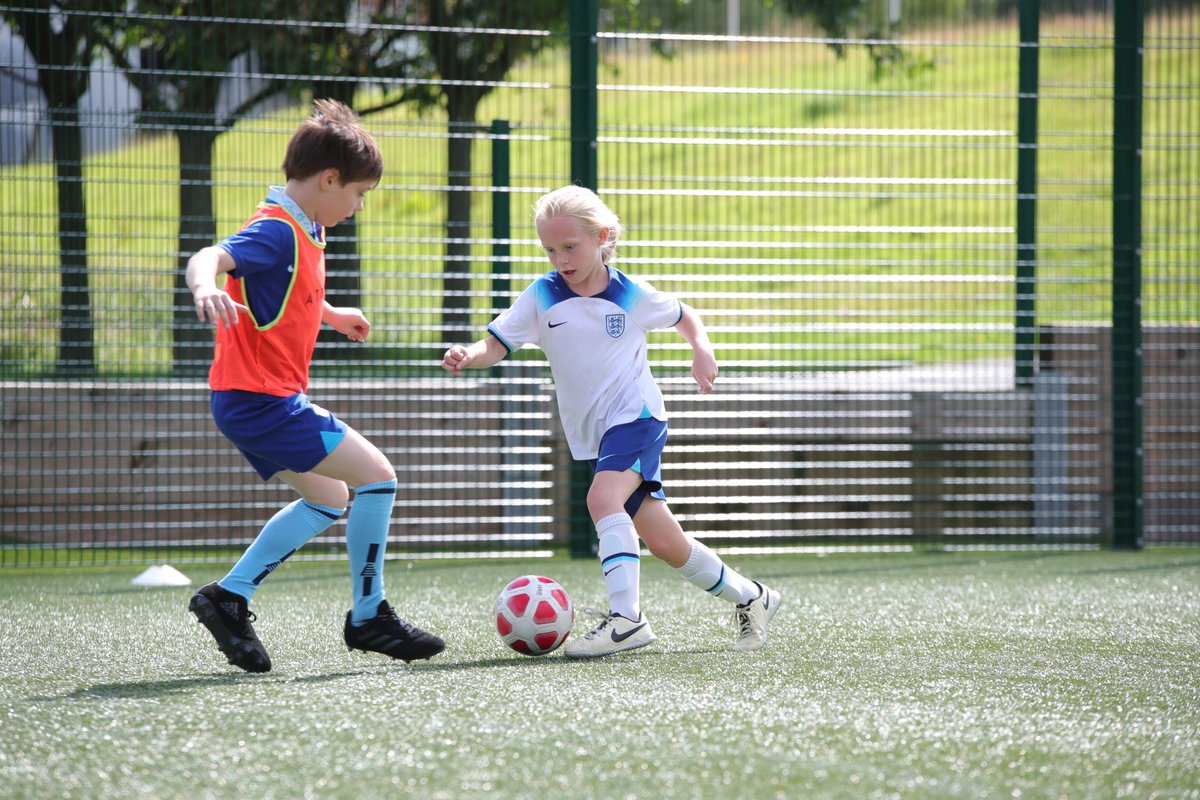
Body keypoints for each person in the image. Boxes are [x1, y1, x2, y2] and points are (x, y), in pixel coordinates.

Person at [442, 185, 781, 658]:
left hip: (637, 416)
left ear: (601, 237)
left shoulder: (628, 293)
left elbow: (684, 315)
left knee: (602, 499)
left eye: (569, 246)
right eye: (550, 249)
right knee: (666, 543)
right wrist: (468, 354)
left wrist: (701, 349)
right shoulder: (541, 295)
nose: (560, 259)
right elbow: (496, 345)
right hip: (596, 436)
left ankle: (627, 618)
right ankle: (753, 596)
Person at [185, 99, 444, 673]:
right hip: (264, 402)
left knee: (329, 498)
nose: (358, 206)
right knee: (378, 477)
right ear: (329, 179)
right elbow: (212, 256)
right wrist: (204, 286)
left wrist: (330, 313)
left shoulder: (304, 228)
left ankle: (228, 597)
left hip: (250, 401)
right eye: (359, 193)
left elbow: (287, 289)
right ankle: (369, 615)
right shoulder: (275, 230)